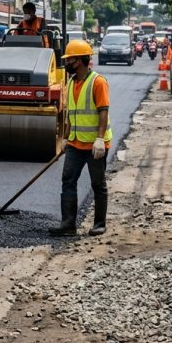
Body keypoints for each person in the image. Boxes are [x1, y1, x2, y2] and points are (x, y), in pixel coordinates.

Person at [50, 39, 112, 237]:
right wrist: (66, 138)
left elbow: (103, 111)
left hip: (95, 145)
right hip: (76, 144)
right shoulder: (71, 81)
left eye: (70, 59)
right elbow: (71, 113)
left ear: (80, 60)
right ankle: (68, 225)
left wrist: (100, 139)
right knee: (68, 181)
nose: (67, 63)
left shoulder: (98, 82)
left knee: (98, 184)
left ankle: (99, 224)